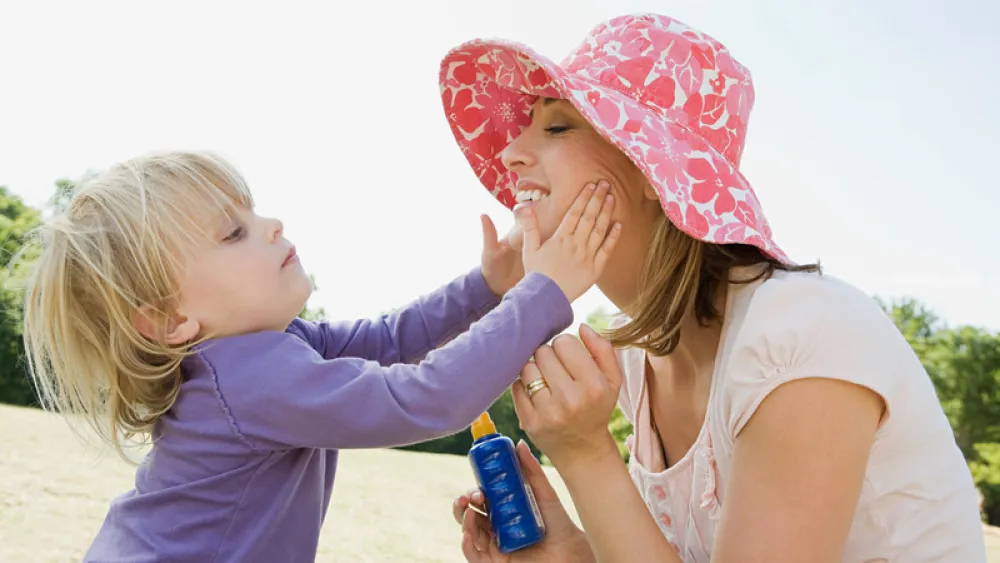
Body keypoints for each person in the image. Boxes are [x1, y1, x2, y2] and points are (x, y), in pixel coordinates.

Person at [443, 13, 987, 562]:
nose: (512, 152)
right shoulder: (637, 360)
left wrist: (585, 452)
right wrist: (570, 555)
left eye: (557, 126)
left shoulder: (800, 336)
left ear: (652, 170)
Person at [18, 149, 621, 562]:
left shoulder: (273, 352)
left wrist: (486, 286)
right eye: (234, 232)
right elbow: (426, 398)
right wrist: (544, 292)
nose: (272, 224)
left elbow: (392, 339)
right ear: (171, 320)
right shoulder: (249, 379)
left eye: (253, 213)